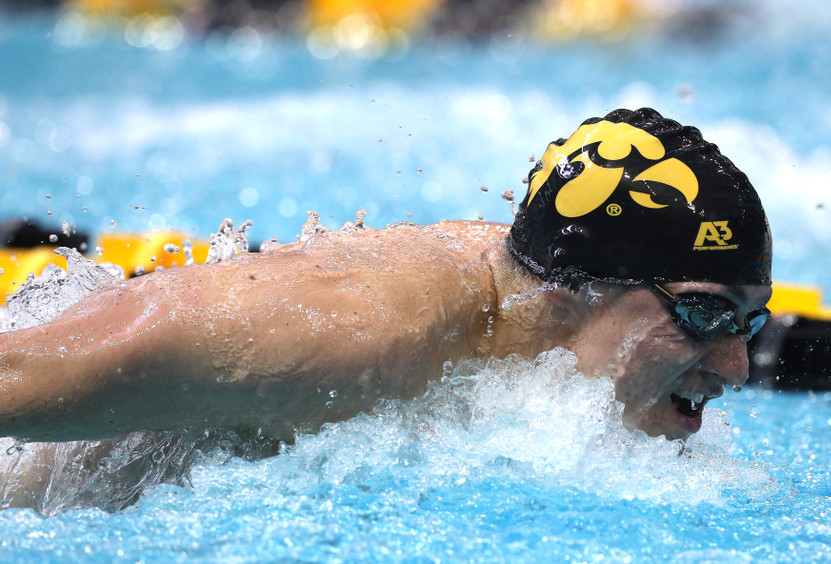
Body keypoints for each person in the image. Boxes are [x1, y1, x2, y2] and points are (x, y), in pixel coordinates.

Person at [0, 107, 772, 449]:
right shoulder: (356, 332)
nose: (737, 366)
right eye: (705, 316)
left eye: (750, 323)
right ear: (575, 286)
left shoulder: (520, 319)